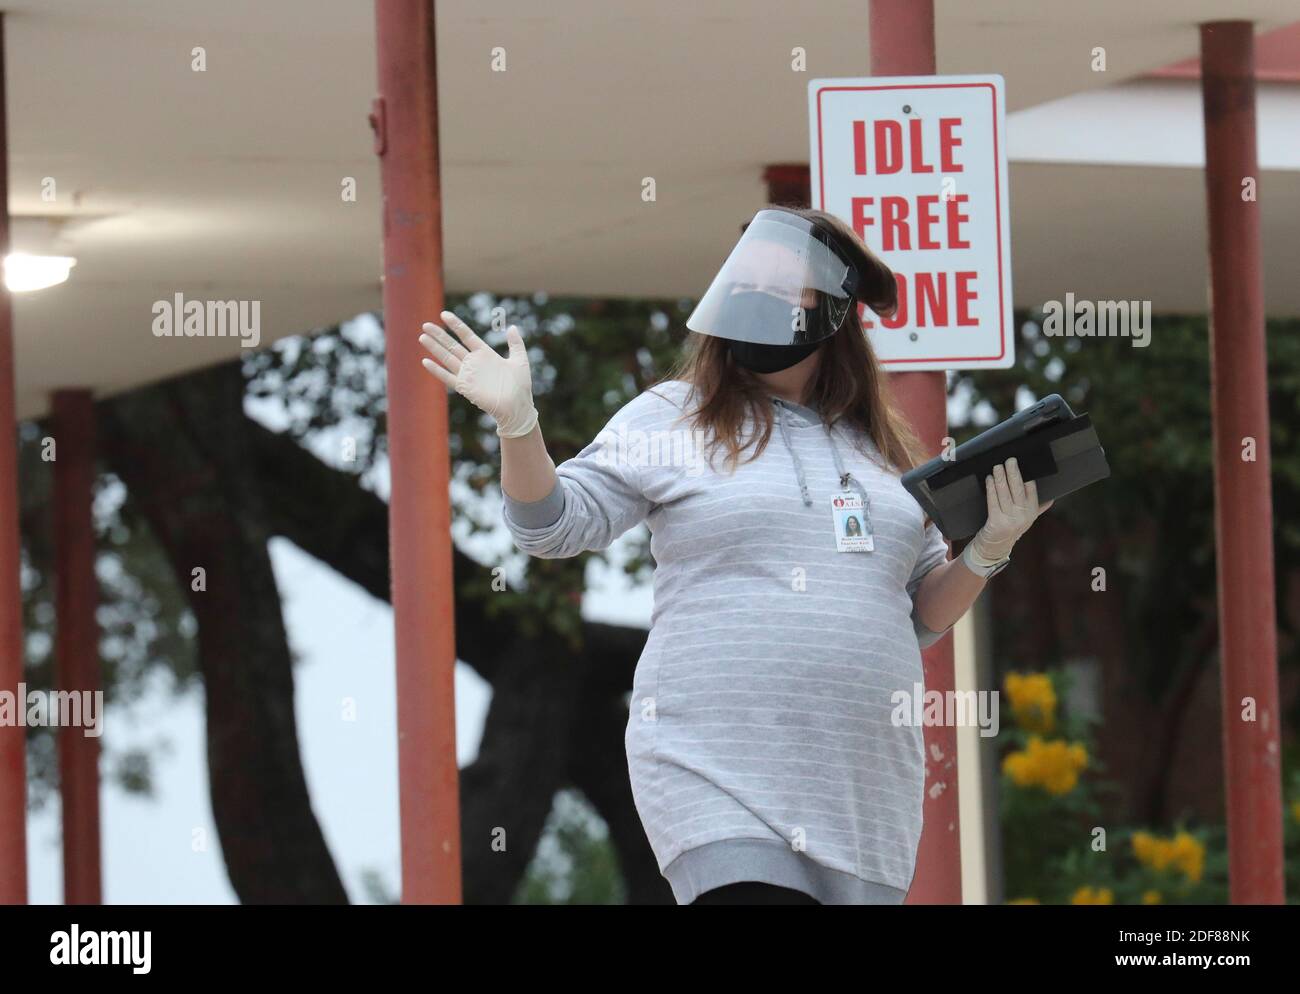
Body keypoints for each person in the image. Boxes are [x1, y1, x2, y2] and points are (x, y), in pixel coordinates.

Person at [418, 205, 1051, 905]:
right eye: (749, 281)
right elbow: (552, 526)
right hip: (716, 776)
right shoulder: (672, 416)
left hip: (860, 797)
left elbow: (920, 615)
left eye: (786, 288)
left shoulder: (882, 454)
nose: (760, 299)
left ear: (832, 313)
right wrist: (519, 425)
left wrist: (990, 547)